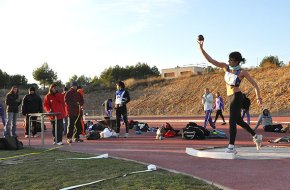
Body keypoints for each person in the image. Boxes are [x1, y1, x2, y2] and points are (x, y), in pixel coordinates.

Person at [198, 37, 263, 153]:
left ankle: (231, 146)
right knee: (238, 120)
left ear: (237, 61)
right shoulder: (225, 67)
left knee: (232, 120)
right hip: (229, 97)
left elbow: (255, 85)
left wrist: (259, 98)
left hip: (237, 96)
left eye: (231, 60)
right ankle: (256, 136)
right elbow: (211, 60)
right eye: (229, 59)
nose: (229, 61)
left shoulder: (243, 72)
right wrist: (201, 48)